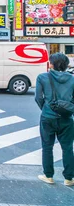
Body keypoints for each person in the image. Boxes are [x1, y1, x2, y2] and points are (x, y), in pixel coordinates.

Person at [35, 52, 74, 186]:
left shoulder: (42, 77)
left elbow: (38, 98)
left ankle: (49, 176)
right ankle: (69, 178)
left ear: (51, 64)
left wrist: (46, 109)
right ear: (65, 65)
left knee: (47, 147)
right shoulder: (72, 78)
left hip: (48, 117)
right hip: (67, 118)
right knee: (68, 148)